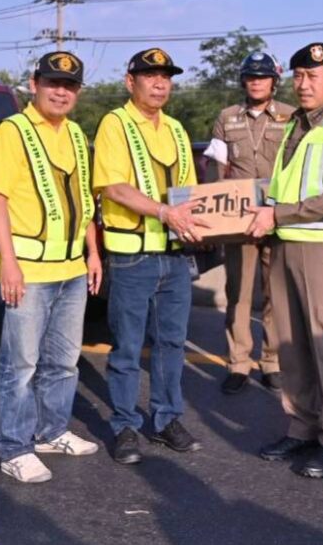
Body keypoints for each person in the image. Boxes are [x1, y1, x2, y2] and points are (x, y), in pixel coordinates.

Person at [248, 43, 323, 478]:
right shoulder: (295, 126)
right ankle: (301, 426)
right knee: (291, 345)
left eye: (312, 76)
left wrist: (276, 215)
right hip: (285, 245)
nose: (303, 84)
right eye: (298, 76)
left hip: (322, 250)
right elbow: (285, 186)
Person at [0, 51, 104, 483]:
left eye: (70, 86)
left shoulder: (75, 133)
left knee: (64, 362)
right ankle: (14, 447)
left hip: (71, 267)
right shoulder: (12, 132)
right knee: (20, 366)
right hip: (29, 269)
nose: (61, 92)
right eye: (53, 83)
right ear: (34, 84)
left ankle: (51, 431)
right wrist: (8, 263)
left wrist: (92, 252)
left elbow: (84, 200)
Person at [94, 48, 207, 465]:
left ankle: (166, 420)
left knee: (171, 343)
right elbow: (113, 187)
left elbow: (189, 192)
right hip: (132, 255)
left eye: (166, 77)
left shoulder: (176, 128)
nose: (160, 84)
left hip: (174, 255)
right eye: (150, 76)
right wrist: (163, 212)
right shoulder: (115, 123)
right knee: (127, 346)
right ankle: (125, 424)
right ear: (131, 82)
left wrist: (204, 223)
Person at [207, 52, 294, 394]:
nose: (257, 82)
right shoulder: (226, 117)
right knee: (238, 293)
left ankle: (272, 361)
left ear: (274, 80)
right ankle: (238, 363)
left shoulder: (291, 116)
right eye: (251, 76)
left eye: (263, 76)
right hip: (238, 219)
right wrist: (214, 218)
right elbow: (217, 171)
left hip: (277, 218)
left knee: (276, 294)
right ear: (243, 80)